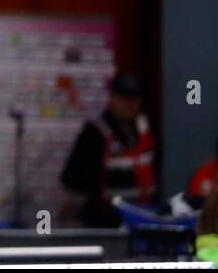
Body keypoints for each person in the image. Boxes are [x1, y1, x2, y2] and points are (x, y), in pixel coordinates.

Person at [60, 73, 157, 227]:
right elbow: (70, 178)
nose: (131, 105)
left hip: (143, 216)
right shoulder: (96, 132)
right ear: (112, 98)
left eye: (135, 99)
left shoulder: (144, 128)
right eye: (125, 99)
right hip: (107, 220)